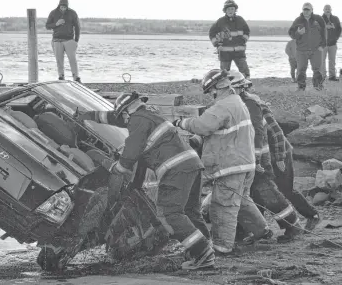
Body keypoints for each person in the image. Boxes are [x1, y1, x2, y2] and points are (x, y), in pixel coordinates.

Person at [78, 92, 215, 270]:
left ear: (127, 111)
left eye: (123, 115)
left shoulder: (137, 122)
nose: (123, 120)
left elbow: (130, 154)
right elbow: (119, 124)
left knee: (169, 212)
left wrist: (115, 168)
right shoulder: (149, 117)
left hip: (176, 170)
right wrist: (91, 116)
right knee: (190, 211)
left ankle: (202, 253)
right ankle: (205, 248)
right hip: (193, 165)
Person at [173, 69, 271, 254]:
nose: (211, 94)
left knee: (223, 206)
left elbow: (202, 125)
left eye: (211, 90)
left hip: (231, 165)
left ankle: (222, 247)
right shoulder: (237, 102)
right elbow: (219, 132)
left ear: (220, 86)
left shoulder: (224, 105)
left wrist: (181, 123)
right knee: (242, 201)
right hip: (244, 163)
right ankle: (262, 231)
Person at [229, 71, 303, 243]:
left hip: (258, 159)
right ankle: (247, 231)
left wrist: (257, 159)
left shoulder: (250, 105)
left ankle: (293, 227)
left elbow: (260, 134)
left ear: (240, 88)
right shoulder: (236, 104)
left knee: (267, 193)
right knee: (250, 195)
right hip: (246, 158)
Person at [261, 99, 321, 231]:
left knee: (285, 188)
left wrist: (279, 158)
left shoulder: (258, 108)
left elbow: (278, 134)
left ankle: (312, 215)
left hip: (280, 153)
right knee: (262, 189)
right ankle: (261, 226)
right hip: (267, 155)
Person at [289, 2, 326, 92]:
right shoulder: (298, 20)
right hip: (302, 50)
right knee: (301, 69)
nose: (306, 11)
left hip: (316, 49)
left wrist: (322, 45)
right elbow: (291, 34)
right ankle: (301, 87)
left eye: (308, 9)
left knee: (317, 69)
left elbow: (324, 33)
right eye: (304, 9)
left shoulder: (319, 19)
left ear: (312, 10)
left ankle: (318, 86)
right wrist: (298, 33)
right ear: (302, 10)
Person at [209, 0, 251, 79]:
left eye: (232, 9)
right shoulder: (220, 21)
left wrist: (243, 40)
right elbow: (211, 33)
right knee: (224, 75)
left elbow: (247, 31)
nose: (230, 11)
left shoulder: (240, 20)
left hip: (239, 52)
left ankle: (246, 87)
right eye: (228, 9)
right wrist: (216, 44)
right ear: (225, 11)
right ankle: (225, 90)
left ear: (235, 10)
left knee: (245, 72)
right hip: (225, 53)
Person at [46, 0, 81, 82]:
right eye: (62, 6)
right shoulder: (53, 13)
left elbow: (77, 26)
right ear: (59, 5)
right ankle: (61, 76)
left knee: (72, 59)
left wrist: (76, 40)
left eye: (65, 6)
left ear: (67, 6)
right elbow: (47, 26)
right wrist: (56, 24)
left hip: (69, 40)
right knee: (59, 60)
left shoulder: (72, 13)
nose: (63, 8)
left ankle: (76, 77)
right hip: (56, 40)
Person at [322, 4, 341, 82]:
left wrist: (335, 38)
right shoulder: (320, 19)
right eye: (326, 8)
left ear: (331, 9)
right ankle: (322, 76)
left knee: (332, 60)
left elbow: (339, 30)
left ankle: (332, 76)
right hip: (323, 44)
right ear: (323, 10)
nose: (327, 10)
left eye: (329, 8)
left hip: (333, 43)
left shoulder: (335, 19)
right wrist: (325, 27)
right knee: (322, 61)